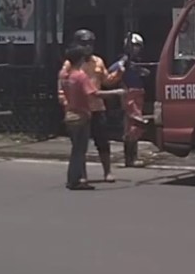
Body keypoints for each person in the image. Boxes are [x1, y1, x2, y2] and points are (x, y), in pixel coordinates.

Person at [58, 29, 124, 181]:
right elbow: (63, 85)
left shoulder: (98, 61)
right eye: (84, 43)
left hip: (96, 108)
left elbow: (106, 81)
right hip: (79, 109)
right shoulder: (71, 65)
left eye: (90, 43)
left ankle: (107, 172)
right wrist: (66, 103)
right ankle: (82, 175)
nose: (87, 47)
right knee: (80, 145)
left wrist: (118, 73)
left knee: (103, 141)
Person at [107, 33, 149, 168]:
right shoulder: (125, 60)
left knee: (135, 126)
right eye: (134, 46)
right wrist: (121, 67)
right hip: (130, 94)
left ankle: (132, 157)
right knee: (131, 125)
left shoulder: (135, 62)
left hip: (138, 94)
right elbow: (112, 69)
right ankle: (130, 158)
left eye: (138, 46)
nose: (137, 49)